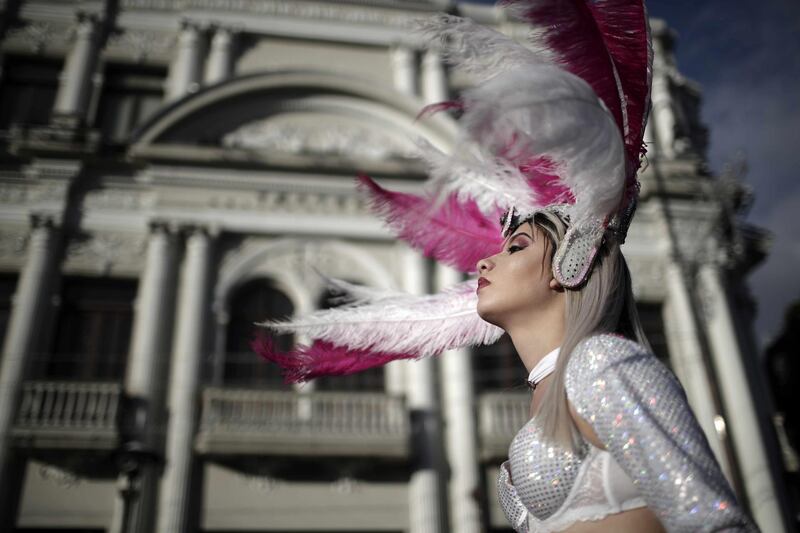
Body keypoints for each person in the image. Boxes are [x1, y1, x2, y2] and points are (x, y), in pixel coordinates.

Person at [255, 1, 759, 530]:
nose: (488, 259)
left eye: (516, 246)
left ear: (570, 260)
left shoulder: (602, 365)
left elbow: (714, 521)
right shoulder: (545, 407)